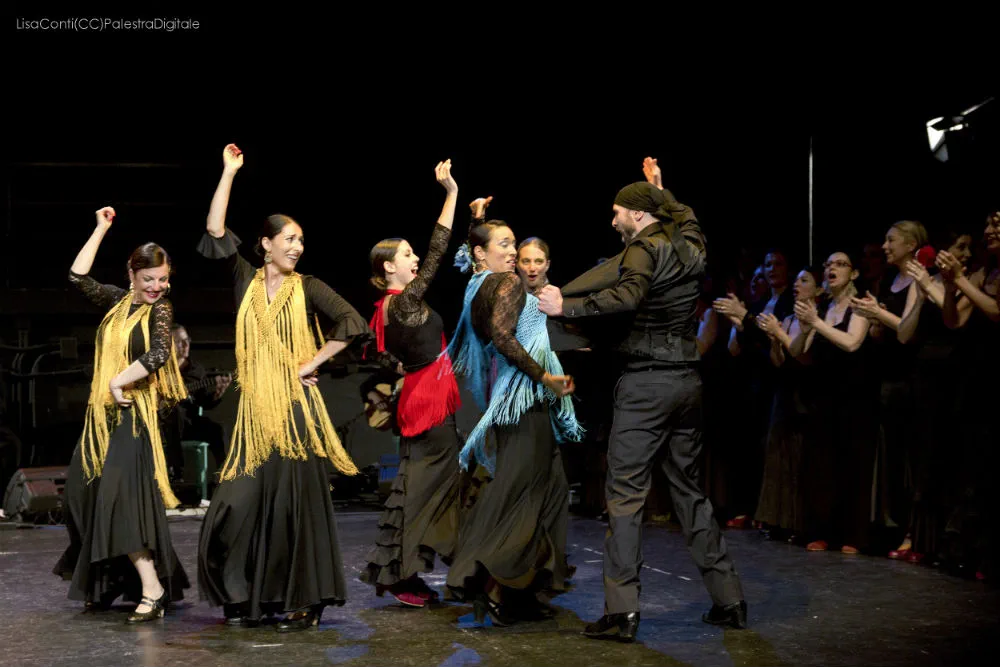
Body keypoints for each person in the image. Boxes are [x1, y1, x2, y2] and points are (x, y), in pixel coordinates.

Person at [539, 157, 746, 641]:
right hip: (687, 383)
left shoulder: (641, 248)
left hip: (647, 385)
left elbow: (626, 298)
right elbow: (688, 216)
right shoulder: (691, 244)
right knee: (690, 494)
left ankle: (623, 610)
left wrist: (563, 305)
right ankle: (729, 599)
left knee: (626, 497)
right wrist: (661, 190)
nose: (613, 221)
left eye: (618, 212)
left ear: (637, 214)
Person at [196, 144, 370, 632]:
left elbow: (352, 322)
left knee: (294, 510)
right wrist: (229, 172)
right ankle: (243, 594)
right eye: (288, 239)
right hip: (253, 414)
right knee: (237, 503)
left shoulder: (309, 286)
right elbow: (214, 230)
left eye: (300, 241)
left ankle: (304, 600)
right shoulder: (245, 281)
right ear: (265, 244)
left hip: (295, 412)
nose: (296, 247)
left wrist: (309, 362)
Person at [445, 197, 579, 626]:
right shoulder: (507, 285)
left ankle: (521, 589)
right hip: (523, 401)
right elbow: (504, 337)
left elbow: (470, 254)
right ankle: (495, 585)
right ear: (486, 254)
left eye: (513, 243)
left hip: (510, 401)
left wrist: (476, 219)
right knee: (524, 496)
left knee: (546, 491)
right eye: (504, 245)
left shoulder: (476, 284)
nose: (511, 252)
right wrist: (545, 377)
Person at [53, 206, 190, 623]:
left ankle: (152, 587)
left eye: (163, 279)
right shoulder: (116, 302)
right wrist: (100, 229)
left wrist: (119, 381)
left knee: (122, 501)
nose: (157, 287)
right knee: (80, 492)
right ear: (131, 276)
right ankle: (109, 579)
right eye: (149, 280)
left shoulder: (160, 311)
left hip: (135, 414)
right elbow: (77, 276)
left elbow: (158, 353)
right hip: (102, 418)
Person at [358, 160, 463, 608]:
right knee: (424, 492)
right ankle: (414, 574)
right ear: (388, 266)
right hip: (428, 406)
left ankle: (402, 574)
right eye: (406, 255)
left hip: (421, 401)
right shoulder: (401, 304)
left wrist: (399, 369)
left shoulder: (384, 309)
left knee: (416, 489)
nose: (415, 258)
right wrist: (451, 195)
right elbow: (439, 251)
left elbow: (372, 353)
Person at [160, 323, 231, 486]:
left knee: (217, 430)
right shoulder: (159, 369)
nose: (185, 345)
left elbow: (203, 402)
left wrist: (217, 394)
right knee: (174, 410)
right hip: (164, 427)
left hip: (189, 425)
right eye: (179, 342)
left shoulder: (196, 370)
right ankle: (175, 472)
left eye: (187, 340)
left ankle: (225, 477)